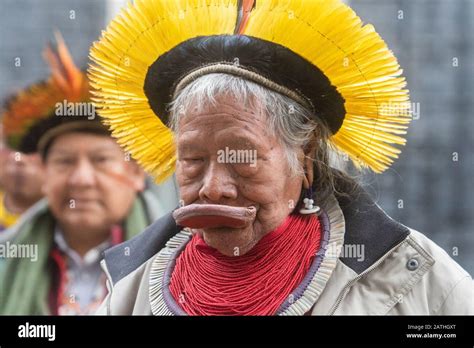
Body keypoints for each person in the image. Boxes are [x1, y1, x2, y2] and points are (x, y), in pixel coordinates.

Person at [89, 0, 473, 315]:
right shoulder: (129, 288)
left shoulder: (416, 282)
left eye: (241, 158)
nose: (213, 188)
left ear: (304, 157)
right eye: (192, 160)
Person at [0, 33, 177, 315]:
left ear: (135, 173)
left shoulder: (178, 263)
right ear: (44, 175)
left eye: (100, 160)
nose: (81, 179)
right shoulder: (6, 260)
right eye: (65, 162)